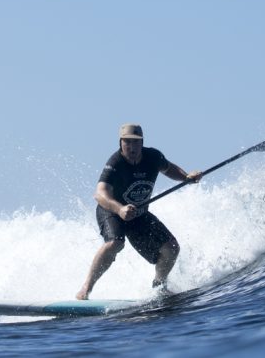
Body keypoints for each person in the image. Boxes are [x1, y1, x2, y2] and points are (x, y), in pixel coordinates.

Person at [76, 123, 202, 300]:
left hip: (137, 215)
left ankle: (159, 287)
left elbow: (169, 168)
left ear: (142, 143)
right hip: (111, 211)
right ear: (120, 142)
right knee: (115, 243)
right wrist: (119, 209)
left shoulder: (153, 157)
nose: (132, 147)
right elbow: (100, 194)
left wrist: (186, 177)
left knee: (171, 248)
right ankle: (85, 289)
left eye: (136, 142)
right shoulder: (115, 163)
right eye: (127, 142)